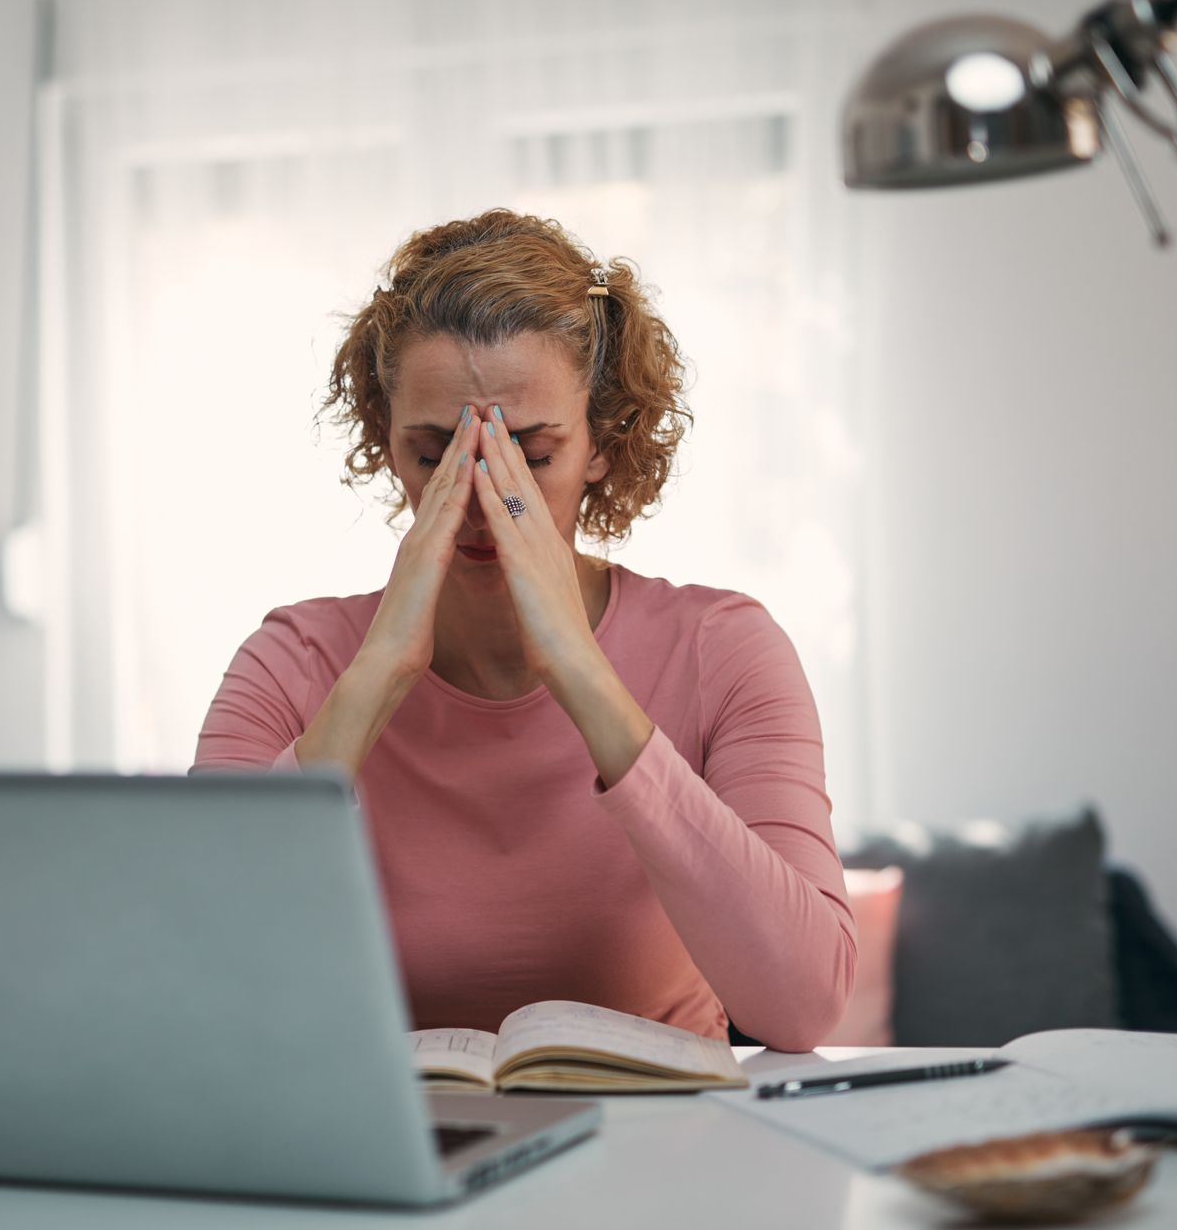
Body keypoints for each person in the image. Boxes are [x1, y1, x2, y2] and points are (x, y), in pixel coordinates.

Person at [193, 210, 854, 1052]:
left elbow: (803, 1005)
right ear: (383, 443)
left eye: (530, 457)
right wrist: (377, 674)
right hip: (389, 1157)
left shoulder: (723, 648)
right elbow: (196, 960)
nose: (477, 497)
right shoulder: (292, 662)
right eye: (434, 455)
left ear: (604, 444)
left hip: (669, 1156)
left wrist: (582, 672)